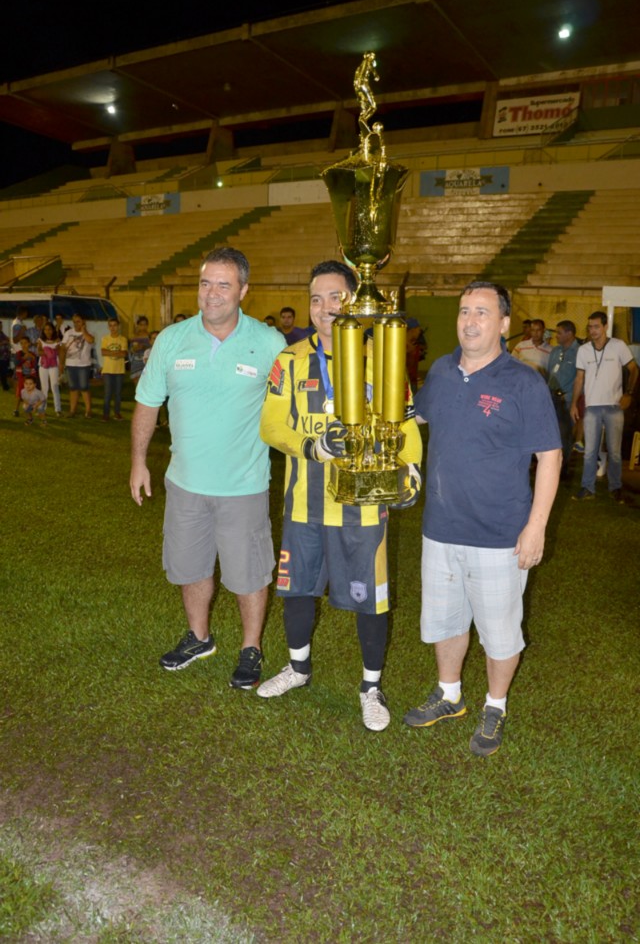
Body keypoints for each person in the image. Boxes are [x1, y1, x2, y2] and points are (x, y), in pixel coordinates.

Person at [257, 260, 423, 731]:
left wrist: (408, 471)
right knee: (297, 587)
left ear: (354, 300)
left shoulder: (382, 359)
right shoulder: (289, 360)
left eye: (335, 297)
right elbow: (270, 424)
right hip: (304, 504)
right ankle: (298, 668)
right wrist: (311, 445)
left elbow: (406, 426)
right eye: (315, 298)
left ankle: (371, 687)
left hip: (364, 505)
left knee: (370, 599)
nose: (324, 307)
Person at [404, 281, 561, 756]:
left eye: (482, 313)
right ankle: (449, 693)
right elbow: (418, 419)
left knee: (499, 629)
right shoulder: (444, 372)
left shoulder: (524, 382)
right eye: (464, 311)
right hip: (441, 529)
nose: (470, 322)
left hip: (499, 534)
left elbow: (550, 457)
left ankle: (495, 705)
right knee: (446, 620)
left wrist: (535, 527)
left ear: (504, 324)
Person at [130, 247, 285, 688]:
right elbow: (146, 403)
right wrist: (138, 462)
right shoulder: (172, 339)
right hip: (185, 484)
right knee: (190, 567)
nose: (212, 294)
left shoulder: (270, 343)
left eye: (223, 284)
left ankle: (251, 648)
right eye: (205, 283)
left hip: (244, 486)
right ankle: (199, 637)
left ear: (243, 290)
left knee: (248, 574)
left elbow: (291, 407)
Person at [570, 311, 638, 504]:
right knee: (590, 451)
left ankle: (615, 487)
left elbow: (634, 369)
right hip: (592, 407)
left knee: (615, 452)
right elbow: (579, 378)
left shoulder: (618, 346)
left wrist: (629, 394)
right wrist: (574, 404)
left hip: (614, 407)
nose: (593, 331)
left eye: (596, 327)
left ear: (606, 326)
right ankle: (587, 487)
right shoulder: (583, 350)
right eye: (590, 327)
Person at [547, 320, 580, 479]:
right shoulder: (555, 351)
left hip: (566, 400)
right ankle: (548, 467)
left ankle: (563, 470)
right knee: (549, 434)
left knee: (564, 436)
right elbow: (549, 373)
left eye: (559, 332)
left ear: (569, 333)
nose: (556, 336)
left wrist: (572, 399)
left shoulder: (579, 352)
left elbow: (581, 379)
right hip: (550, 399)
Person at [59, 314, 95, 418]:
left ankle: (88, 410)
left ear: (84, 322)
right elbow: (62, 349)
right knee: (73, 388)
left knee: (84, 387)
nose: (76, 324)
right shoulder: (68, 333)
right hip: (70, 364)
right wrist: (61, 363)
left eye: (78, 321)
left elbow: (90, 340)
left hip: (84, 365)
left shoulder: (89, 333)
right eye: (74, 322)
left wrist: (83, 331)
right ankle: (72, 410)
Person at [101, 317, 128, 421]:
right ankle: (105, 414)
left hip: (119, 370)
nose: (113, 328)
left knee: (118, 394)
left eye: (115, 325)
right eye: (111, 325)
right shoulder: (105, 339)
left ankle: (117, 413)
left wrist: (110, 352)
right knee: (107, 393)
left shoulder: (123, 339)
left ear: (118, 326)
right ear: (108, 327)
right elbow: (103, 352)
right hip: (107, 370)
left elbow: (124, 353)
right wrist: (117, 352)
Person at [37, 321, 62, 416]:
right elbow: (39, 351)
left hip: (54, 366)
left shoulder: (57, 340)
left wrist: (48, 351)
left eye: (50, 329)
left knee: (55, 387)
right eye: (46, 329)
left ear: (53, 330)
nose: (48, 331)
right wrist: (49, 352)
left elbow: (59, 352)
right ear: (43, 330)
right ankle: (42, 408)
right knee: (44, 388)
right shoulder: (40, 340)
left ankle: (58, 409)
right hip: (43, 366)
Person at [13, 337, 37, 416]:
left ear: (29, 344)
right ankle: (16, 409)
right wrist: (24, 358)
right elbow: (17, 363)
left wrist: (33, 359)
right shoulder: (19, 353)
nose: (24, 345)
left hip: (30, 378)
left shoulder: (33, 354)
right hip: (21, 377)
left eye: (25, 343)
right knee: (19, 394)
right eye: (22, 343)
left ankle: (29, 410)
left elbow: (35, 366)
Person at [128, 316, 151, 386]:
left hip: (147, 362)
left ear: (147, 325)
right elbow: (130, 350)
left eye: (145, 324)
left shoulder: (150, 336)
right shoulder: (134, 337)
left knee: (146, 384)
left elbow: (154, 348)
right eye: (141, 324)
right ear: (138, 325)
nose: (143, 327)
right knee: (137, 384)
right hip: (136, 362)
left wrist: (144, 347)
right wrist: (134, 349)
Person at [0, 322, 11, 391]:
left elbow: (8, 339)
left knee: (4, 371)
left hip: (5, 355)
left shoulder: (1, 333)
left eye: (1, 325)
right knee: (3, 371)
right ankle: (5, 386)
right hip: (1, 356)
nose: (1, 327)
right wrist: (3, 343)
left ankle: (5, 384)